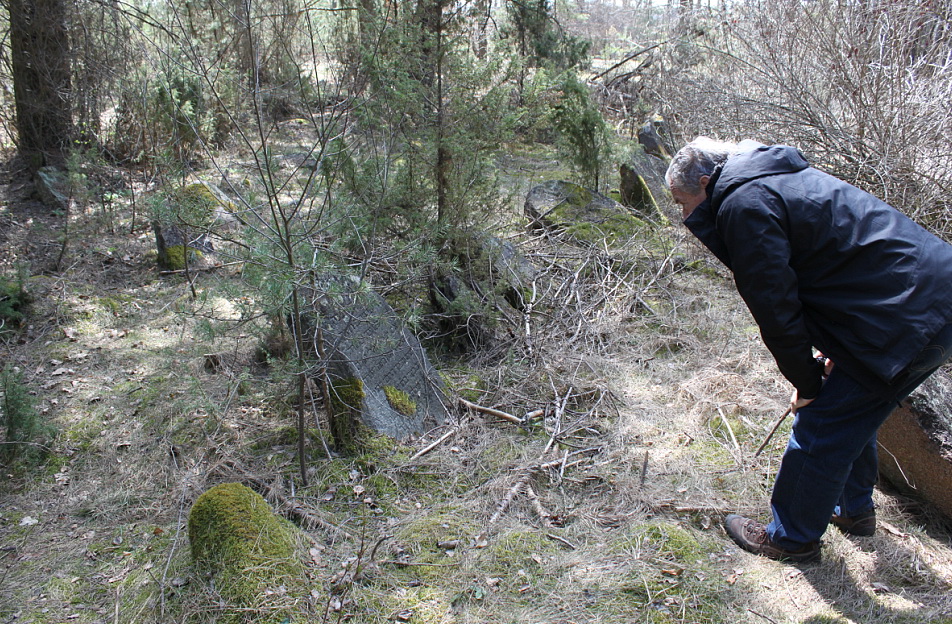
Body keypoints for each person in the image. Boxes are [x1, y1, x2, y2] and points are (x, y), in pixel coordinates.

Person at [666, 137, 952, 562]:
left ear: (706, 183)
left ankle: (791, 537)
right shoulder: (774, 177)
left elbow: (776, 306)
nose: (682, 213)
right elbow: (836, 261)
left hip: (907, 314)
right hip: (923, 298)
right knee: (851, 405)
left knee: (823, 421)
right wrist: (836, 347)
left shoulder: (744, 204)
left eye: (680, 201)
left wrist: (806, 383)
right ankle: (853, 510)